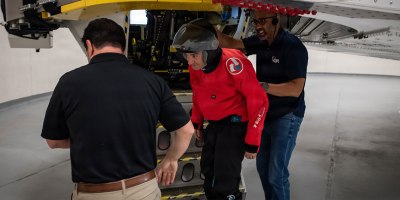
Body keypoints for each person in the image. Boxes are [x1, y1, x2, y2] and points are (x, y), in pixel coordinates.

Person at [41, 18, 194, 200]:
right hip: (144, 190)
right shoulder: (153, 82)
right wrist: (170, 160)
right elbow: (186, 130)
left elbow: (54, 141)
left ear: (89, 46)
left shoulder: (68, 83)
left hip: (94, 194)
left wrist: (91, 140)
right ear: (123, 47)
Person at [216, 9, 308, 200]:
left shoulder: (293, 47)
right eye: (255, 22)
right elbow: (234, 44)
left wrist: (260, 87)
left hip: (287, 116)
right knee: (263, 169)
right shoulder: (262, 41)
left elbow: (295, 89)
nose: (257, 27)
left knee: (276, 173)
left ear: (276, 20)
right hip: (266, 113)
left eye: (262, 21)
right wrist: (210, 29)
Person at [172, 18, 269, 200]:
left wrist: (252, 141)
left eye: (194, 55)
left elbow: (258, 100)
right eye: (187, 55)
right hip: (215, 126)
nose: (190, 61)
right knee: (209, 172)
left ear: (208, 51)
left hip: (234, 127)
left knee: (225, 180)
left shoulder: (233, 63)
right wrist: (196, 121)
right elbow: (198, 93)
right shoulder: (197, 66)